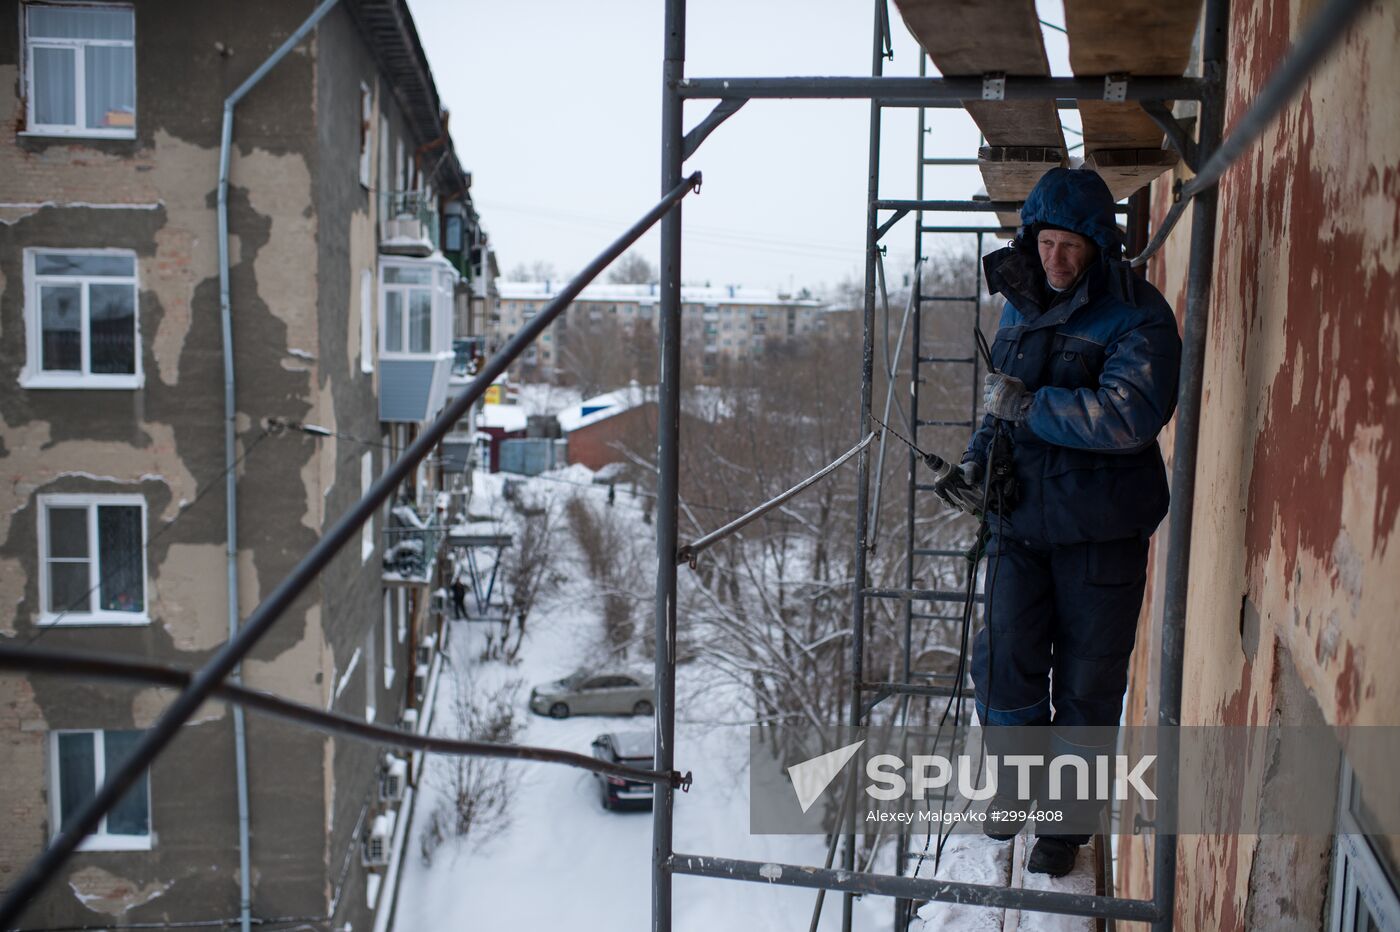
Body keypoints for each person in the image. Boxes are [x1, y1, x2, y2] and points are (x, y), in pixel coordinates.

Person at [933, 167, 1182, 877]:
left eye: (1070, 245)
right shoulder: (1017, 305)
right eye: (1045, 243)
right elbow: (999, 401)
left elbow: (1127, 414)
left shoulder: (1139, 315)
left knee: (1087, 683)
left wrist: (1029, 409)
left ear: (1097, 245)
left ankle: (1064, 829)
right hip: (1021, 522)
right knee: (1001, 662)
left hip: (1100, 532)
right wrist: (977, 462)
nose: (1055, 260)